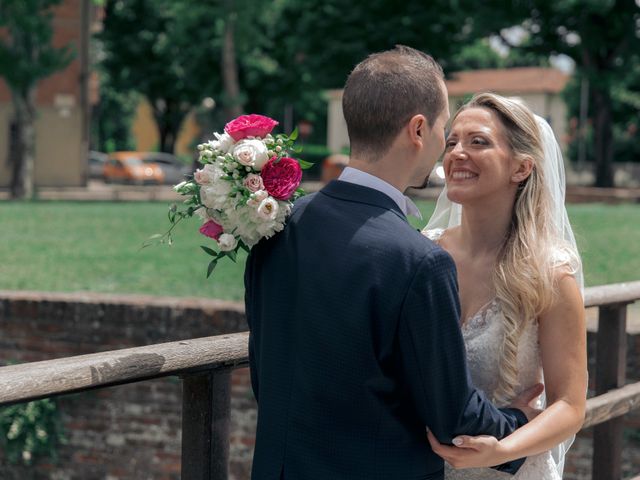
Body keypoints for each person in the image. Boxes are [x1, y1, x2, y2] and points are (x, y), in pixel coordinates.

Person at [244, 46, 540, 480]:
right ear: (418, 129)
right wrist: (519, 423)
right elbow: (454, 418)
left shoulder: (276, 227)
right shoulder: (419, 260)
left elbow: (265, 372)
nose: (446, 145)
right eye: (444, 129)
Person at [422, 93, 587, 479]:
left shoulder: (549, 276)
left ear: (521, 167)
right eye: (451, 142)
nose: (457, 152)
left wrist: (501, 449)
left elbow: (570, 405)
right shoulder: (420, 253)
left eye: (478, 142)